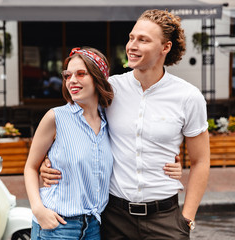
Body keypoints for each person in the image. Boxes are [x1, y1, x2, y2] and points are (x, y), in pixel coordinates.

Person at [41, 9, 210, 240]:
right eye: (131, 37)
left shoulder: (188, 97)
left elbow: (201, 160)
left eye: (143, 40)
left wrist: (187, 218)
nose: (132, 45)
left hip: (166, 219)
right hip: (114, 218)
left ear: (165, 48)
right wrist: (47, 161)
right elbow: (73, 122)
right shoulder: (109, 89)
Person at [24, 47, 114, 239]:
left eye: (81, 74)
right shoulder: (55, 118)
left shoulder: (110, 121)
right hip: (57, 226)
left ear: (98, 78)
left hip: (94, 226)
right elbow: (30, 167)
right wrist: (38, 210)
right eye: (68, 75)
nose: (72, 80)